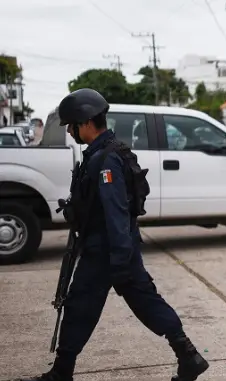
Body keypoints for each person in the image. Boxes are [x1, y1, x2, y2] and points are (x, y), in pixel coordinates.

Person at [17, 88, 209, 381]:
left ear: (85, 122)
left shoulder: (105, 160)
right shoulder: (103, 153)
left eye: (72, 125)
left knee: (80, 304)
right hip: (115, 248)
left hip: (107, 250)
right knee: (145, 302)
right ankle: (188, 356)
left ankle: (61, 373)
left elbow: (116, 211)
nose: (70, 131)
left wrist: (119, 261)